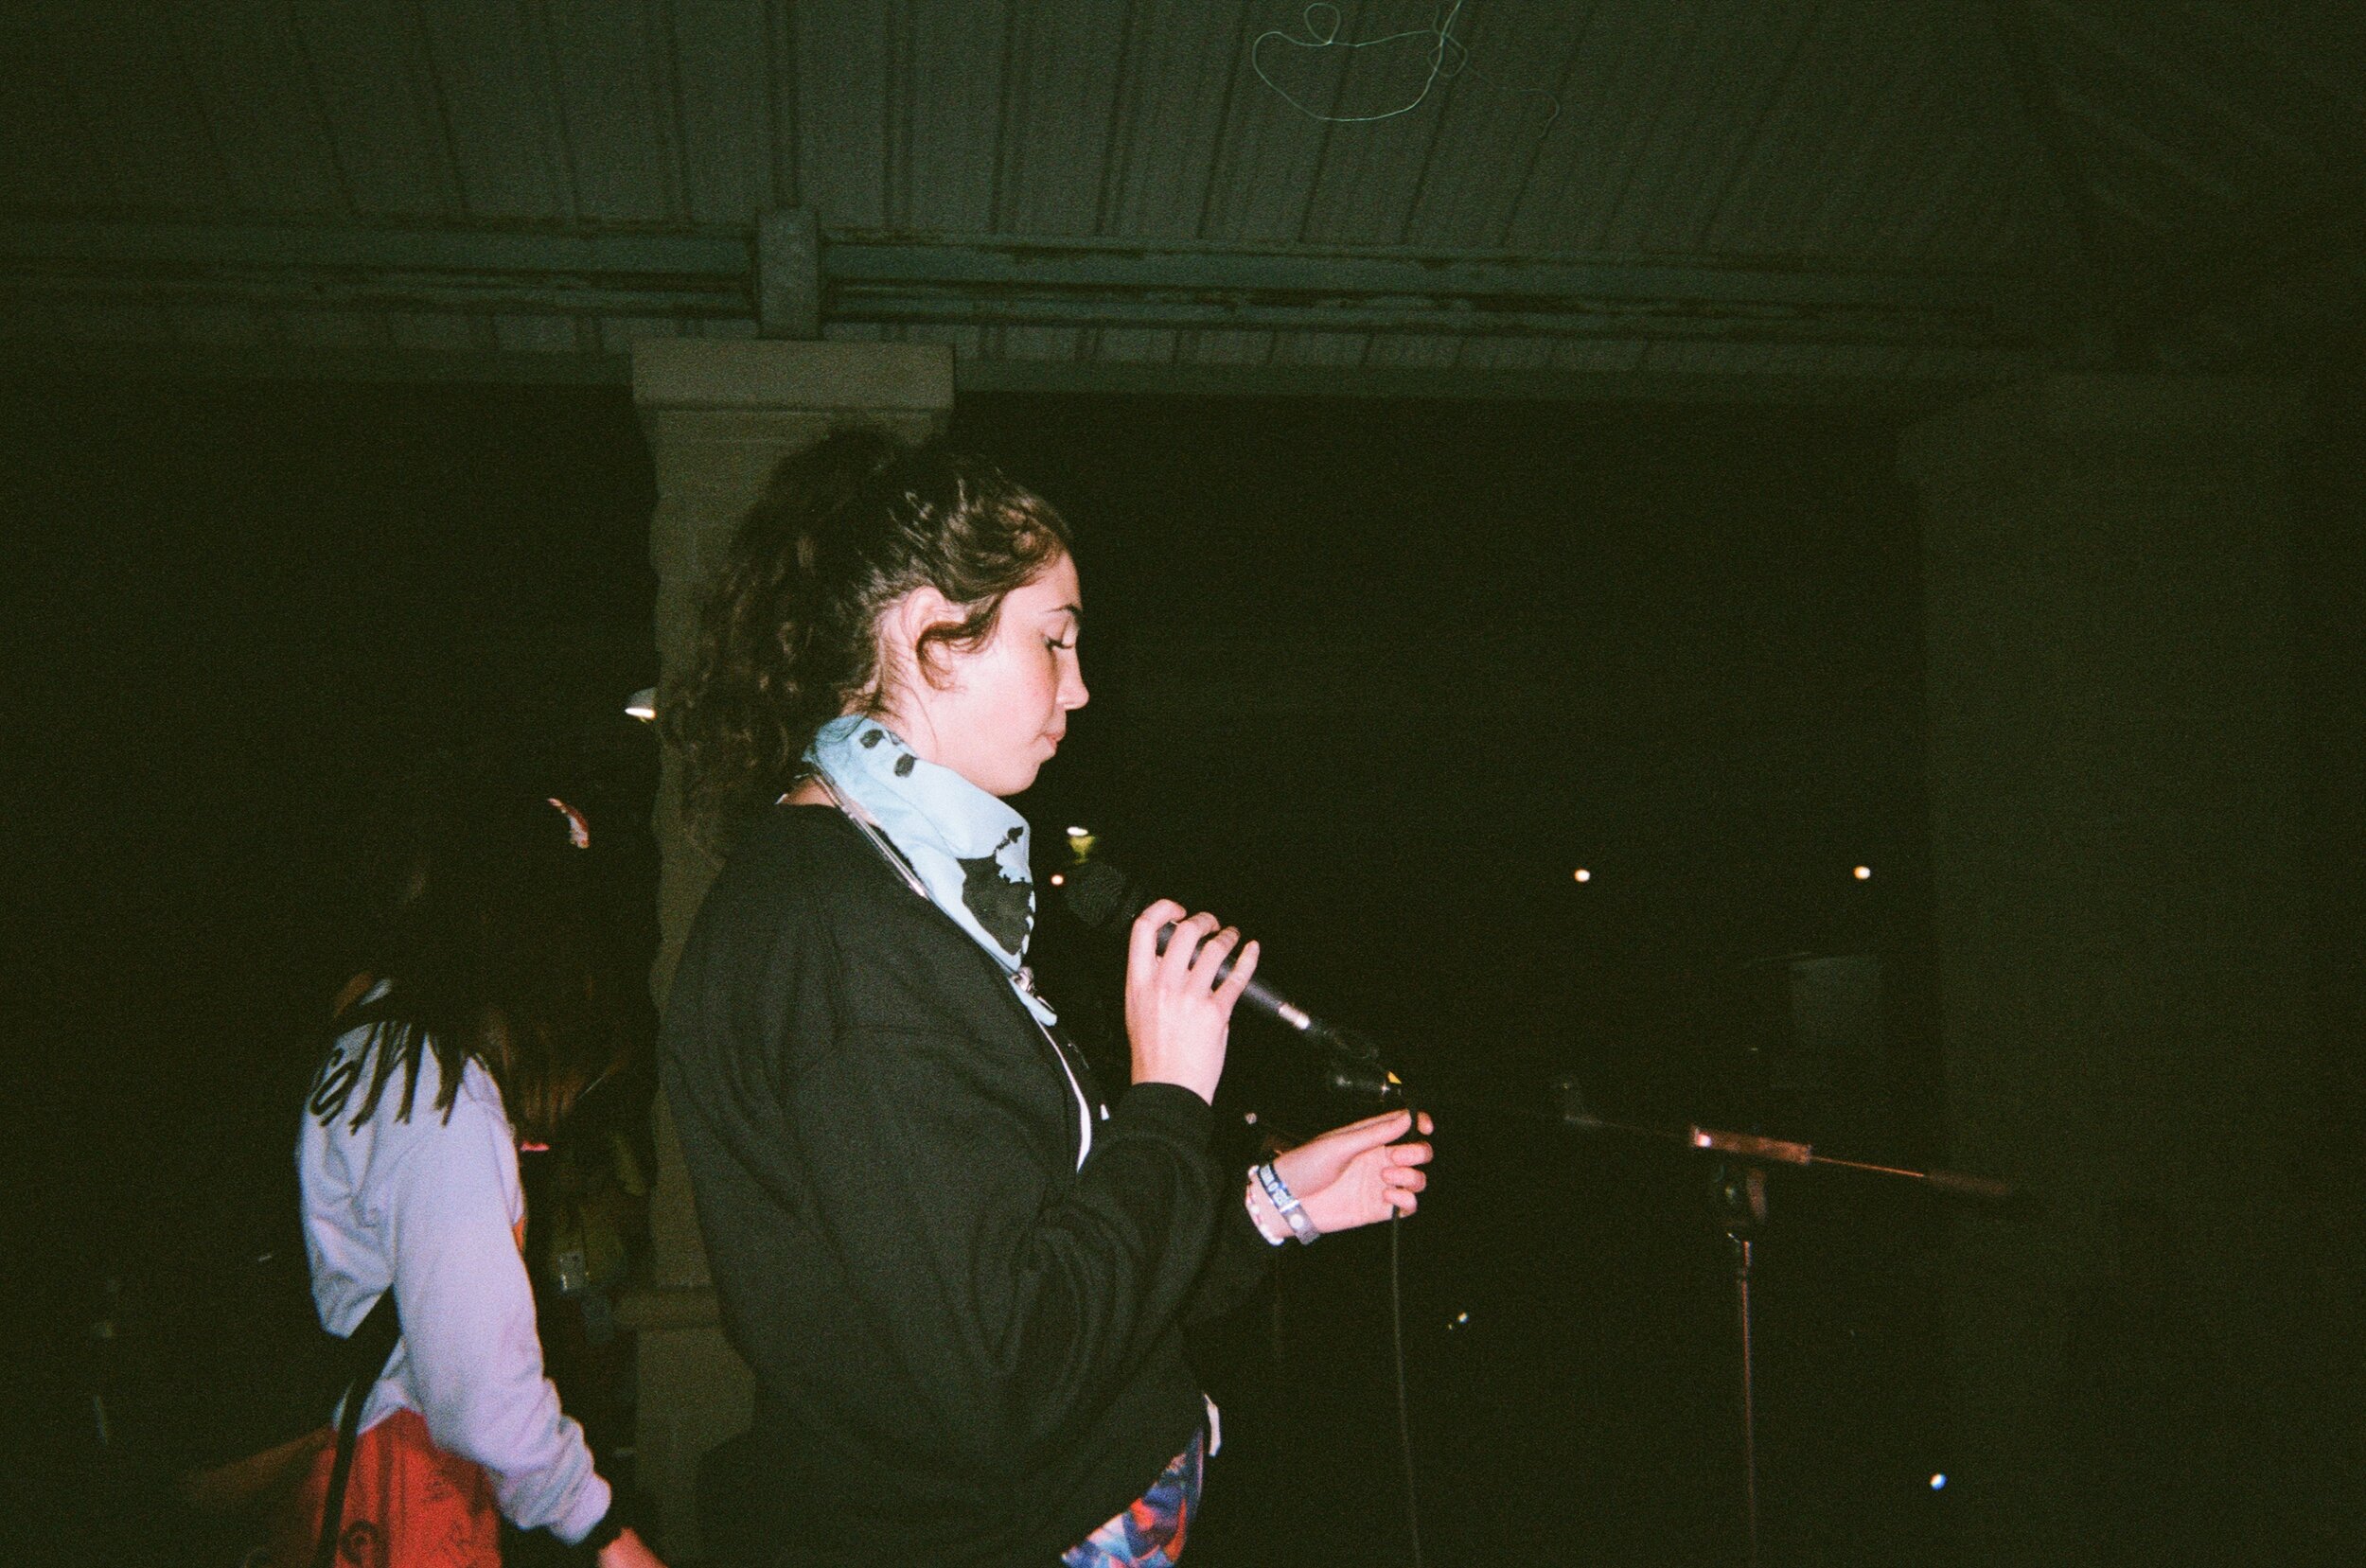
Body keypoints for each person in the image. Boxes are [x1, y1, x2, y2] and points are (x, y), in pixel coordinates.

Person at [660, 429, 1436, 1565]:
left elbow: (1062, 1273)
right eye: (1055, 639)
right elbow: (1011, 1373)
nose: (1079, 685)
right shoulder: (842, 937)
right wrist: (1168, 1092)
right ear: (928, 632)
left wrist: (1272, 1204)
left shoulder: (905, 895)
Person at [274, 794, 665, 1568]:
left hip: (342, 1449)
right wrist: (602, 1530)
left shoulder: (373, 1029)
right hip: (403, 1476)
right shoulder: (440, 1089)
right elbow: (478, 1388)